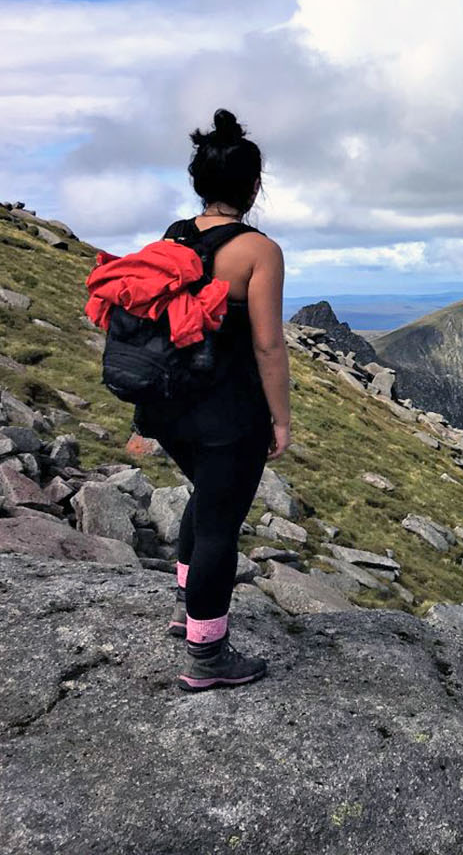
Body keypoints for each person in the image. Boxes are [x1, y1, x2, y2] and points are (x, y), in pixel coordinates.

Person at [133, 109, 292, 691]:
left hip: (171, 407)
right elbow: (268, 345)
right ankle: (207, 657)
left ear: (199, 183)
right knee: (222, 526)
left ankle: (186, 611)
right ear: (253, 187)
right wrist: (280, 418)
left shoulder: (173, 236)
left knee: (207, 498)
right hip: (228, 411)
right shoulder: (258, 250)